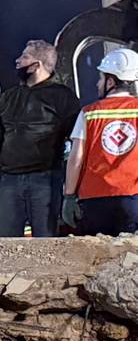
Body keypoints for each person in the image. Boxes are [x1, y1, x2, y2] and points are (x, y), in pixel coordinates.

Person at [0, 40, 81, 238]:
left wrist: (71, 187)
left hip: (45, 181)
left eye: (24, 57)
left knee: (45, 243)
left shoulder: (63, 97)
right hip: (9, 182)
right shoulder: (8, 97)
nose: (18, 61)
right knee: (4, 244)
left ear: (36, 65)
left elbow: (77, 142)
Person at [63, 47, 138, 237]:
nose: (98, 84)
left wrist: (69, 196)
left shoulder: (89, 113)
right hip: (133, 198)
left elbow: (76, 158)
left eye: (101, 78)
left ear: (111, 81)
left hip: (94, 200)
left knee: (94, 261)